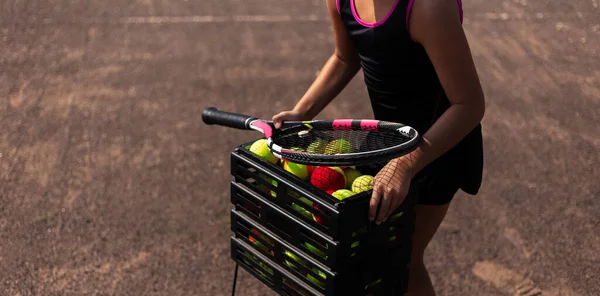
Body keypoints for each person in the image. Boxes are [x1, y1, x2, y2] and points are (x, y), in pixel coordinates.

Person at [272, 0, 485, 294]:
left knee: (402, 258)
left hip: (440, 145)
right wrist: (302, 112)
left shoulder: (428, 7)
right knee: (376, 257)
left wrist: (405, 165)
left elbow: (469, 105)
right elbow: (345, 57)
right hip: (389, 145)